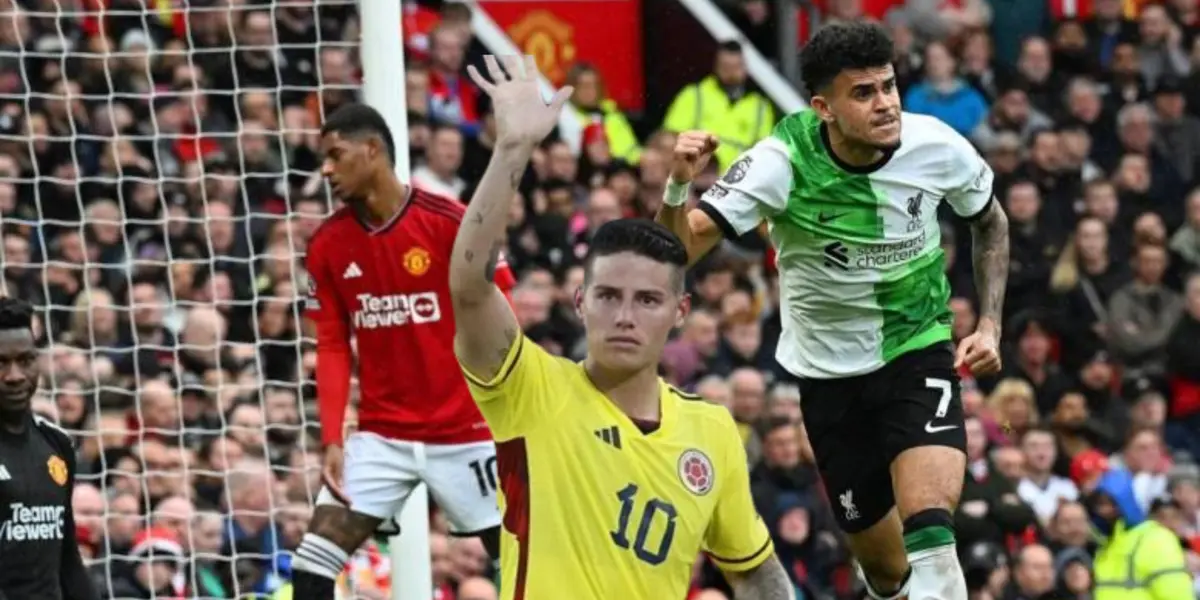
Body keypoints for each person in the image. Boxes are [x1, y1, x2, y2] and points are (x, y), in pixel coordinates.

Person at [656, 22, 1010, 600]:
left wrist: (990, 322)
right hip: (828, 378)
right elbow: (674, 252)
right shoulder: (780, 163)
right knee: (888, 570)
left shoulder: (937, 145)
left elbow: (990, 220)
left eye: (889, 87)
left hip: (916, 349)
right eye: (863, 93)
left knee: (932, 532)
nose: (885, 105)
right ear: (824, 106)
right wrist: (677, 188)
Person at [447, 55, 793, 599]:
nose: (625, 315)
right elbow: (469, 287)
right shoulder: (532, 390)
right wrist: (512, 150)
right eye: (608, 296)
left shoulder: (712, 431)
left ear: (679, 313)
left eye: (648, 299)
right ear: (581, 303)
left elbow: (752, 569)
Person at [291, 103, 515, 600]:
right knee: (310, 570)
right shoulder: (327, 244)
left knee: (524, 566)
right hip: (381, 437)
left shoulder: (448, 221)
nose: (325, 169)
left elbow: (503, 313)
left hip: (469, 432)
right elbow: (330, 344)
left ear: (372, 150)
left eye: (335, 155)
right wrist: (332, 437)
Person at [0, 297, 98, 600]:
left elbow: (67, 558)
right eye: (0, 363)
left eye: (25, 360)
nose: (15, 376)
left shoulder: (57, 444)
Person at [1088, 468, 1192, 600]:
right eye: (1100, 504)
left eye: (1112, 503)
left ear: (1127, 502)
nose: (1105, 510)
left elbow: (1176, 594)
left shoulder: (1156, 539)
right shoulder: (1105, 543)